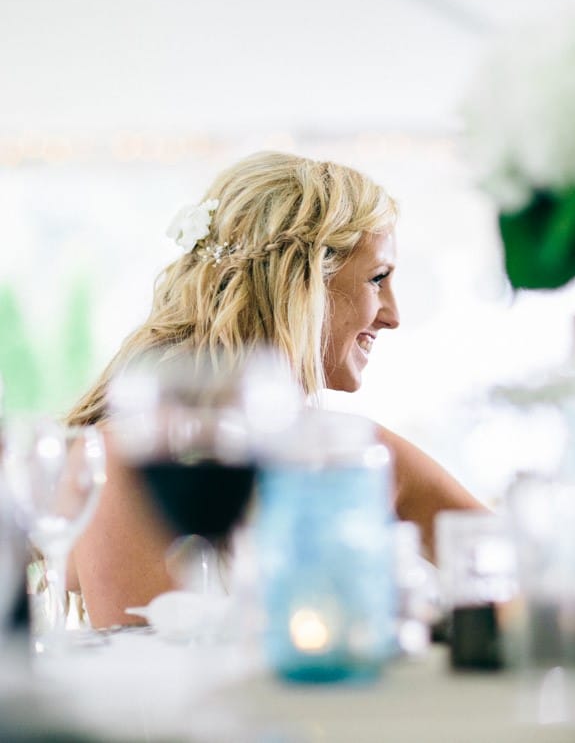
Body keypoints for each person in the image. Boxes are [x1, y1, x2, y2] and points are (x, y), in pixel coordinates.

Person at [66, 151, 484, 627]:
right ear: (300, 285)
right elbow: (149, 668)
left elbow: (510, 567)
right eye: (377, 279)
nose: (394, 315)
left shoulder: (361, 452)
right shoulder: (129, 461)